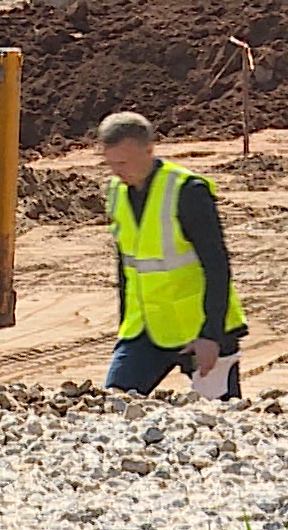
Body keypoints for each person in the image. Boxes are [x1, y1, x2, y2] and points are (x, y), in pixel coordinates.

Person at [98, 112, 248, 399]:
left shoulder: (188, 191)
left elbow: (216, 265)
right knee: (112, 406)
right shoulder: (116, 192)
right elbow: (126, 266)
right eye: (111, 163)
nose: (118, 171)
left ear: (149, 150)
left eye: (124, 162)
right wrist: (123, 328)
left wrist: (211, 335)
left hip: (200, 330)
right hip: (145, 330)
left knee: (221, 420)